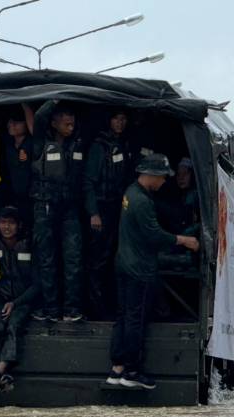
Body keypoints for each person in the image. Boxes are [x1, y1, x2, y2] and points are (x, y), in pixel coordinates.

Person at [107, 154, 200, 389]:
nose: (164, 182)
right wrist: (185, 240)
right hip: (139, 268)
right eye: (162, 178)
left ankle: (117, 368)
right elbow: (154, 236)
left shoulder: (130, 192)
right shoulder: (143, 202)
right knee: (135, 320)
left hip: (123, 264)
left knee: (123, 317)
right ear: (152, 176)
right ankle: (132, 371)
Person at [22, 101, 85, 322]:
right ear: (54, 122)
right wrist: (57, 99)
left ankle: (72, 309)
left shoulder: (78, 143)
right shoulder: (41, 142)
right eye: (65, 116)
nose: (71, 120)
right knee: (46, 259)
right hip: (44, 207)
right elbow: (39, 117)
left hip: (70, 209)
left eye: (72, 116)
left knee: (73, 259)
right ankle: (50, 308)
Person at [83, 108, 133, 320]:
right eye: (116, 118)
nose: (120, 123)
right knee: (97, 261)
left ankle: (109, 306)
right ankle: (95, 308)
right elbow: (88, 182)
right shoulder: (99, 147)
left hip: (116, 208)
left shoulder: (124, 145)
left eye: (123, 119)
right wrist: (94, 213)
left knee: (113, 257)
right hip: (101, 209)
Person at [0, 206, 40, 391]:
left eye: (11, 223)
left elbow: (37, 285)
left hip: (23, 301)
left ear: (19, 225)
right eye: (3, 222)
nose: (6, 227)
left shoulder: (29, 245)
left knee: (14, 324)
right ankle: (1, 370)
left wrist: (15, 303)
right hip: (0, 299)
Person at [0, 107, 34, 231]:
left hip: (32, 198)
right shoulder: (7, 143)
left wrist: (25, 104)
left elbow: (34, 130)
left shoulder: (33, 143)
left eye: (17, 122)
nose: (12, 125)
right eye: (10, 121)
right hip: (12, 196)